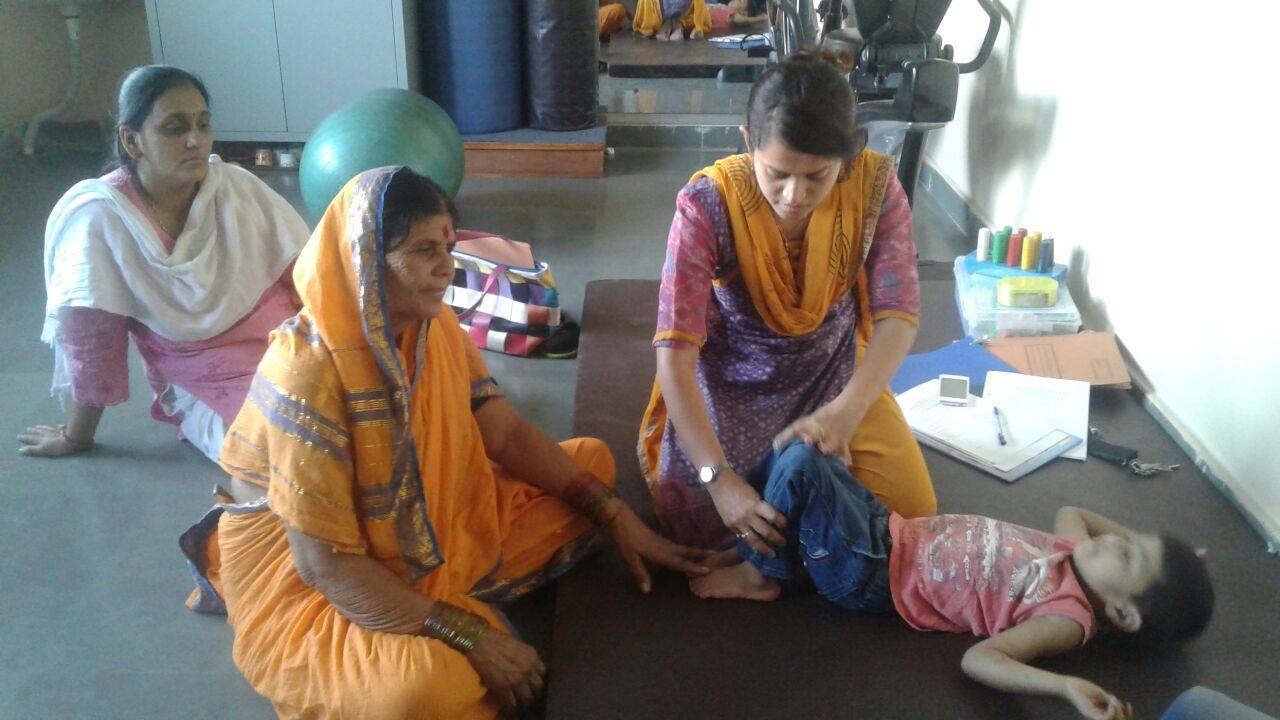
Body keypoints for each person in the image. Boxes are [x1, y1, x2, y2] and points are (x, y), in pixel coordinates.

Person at [180, 167, 712, 719]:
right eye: (423, 250)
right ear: (365, 260)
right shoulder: (306, 371)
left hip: (425, 523)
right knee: (424, 689)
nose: (446, 267)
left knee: (591, 468)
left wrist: (615, 513)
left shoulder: (432, 328)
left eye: (449, 248)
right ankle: (440, 609)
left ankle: (438, 592)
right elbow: (325, 566)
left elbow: (504, 432)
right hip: (310, 576)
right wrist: (468, 635)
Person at [639, 50, 936, 554]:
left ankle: (778, 565)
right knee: (708, 522)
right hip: (736, 384)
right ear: (748, 141)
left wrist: (845, 412)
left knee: (910, 515)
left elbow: (898, 313)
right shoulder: (708, 204)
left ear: (848, 157)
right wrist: (718, 479)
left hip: (834, 370)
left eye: (817, 176)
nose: (794, 194)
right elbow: (675, 354)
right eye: (777, 172)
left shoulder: (873, 186)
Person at [691, 442, 1215, 720]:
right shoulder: (1076, 551)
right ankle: (758, 545)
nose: (1114, 541)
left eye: (1128, 556)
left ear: (1123, 613)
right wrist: (1148, 549)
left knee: (802, 464)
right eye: (1127, 538)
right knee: (801, 444)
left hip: (873, 573)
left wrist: (1063, 687)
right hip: (887, 528)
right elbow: (1074, 510)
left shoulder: (1068, 616)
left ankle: (759, 574)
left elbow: (981, 659)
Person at [18, 65, 308, 462]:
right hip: (202, 374)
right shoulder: (100, 218)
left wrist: (340, 347)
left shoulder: (237, 189)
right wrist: (76, 436)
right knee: (283, 452)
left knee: (369, 416)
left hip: (290, 343)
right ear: (132, 140)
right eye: (174, 128)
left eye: (203, 124)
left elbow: (305, 276)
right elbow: (92, 338)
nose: (195, 140)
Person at [633, 0, 712, 40]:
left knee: (676, 38)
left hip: (684, 15)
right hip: (659, 15)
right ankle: (663, 24)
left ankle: (679, 23)